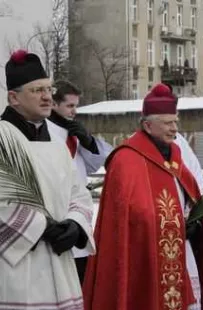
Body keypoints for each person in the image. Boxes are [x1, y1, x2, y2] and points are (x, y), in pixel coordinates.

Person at [83, 83, 203, 310]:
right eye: (167, 123)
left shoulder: (175, 154)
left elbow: (188, 193)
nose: (174, 129)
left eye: (176, 122)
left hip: (179, 252)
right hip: (141, 256)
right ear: (147, 125)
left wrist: (193, 220)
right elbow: (129, 215)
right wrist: (170, 225)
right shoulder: (126, 159)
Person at [0, 49, 95, 309]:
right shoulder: (2, 138)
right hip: (16, 267)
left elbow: (79, 193)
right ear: (13, 97)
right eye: (37, 90)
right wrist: (43, 227)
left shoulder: (55, 142)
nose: (46, 97)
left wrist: (75, 225)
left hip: (59, 260)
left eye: (49, 89)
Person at [48, 80, 112, 284]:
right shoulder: (44, 132)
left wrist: (89, 142)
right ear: (54, 104)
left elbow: (99, 163)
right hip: (58, 212)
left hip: (80, 213)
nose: (74, 111)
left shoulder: (73, 131)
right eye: (70, 105)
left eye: (76, 106)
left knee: (81, 277)